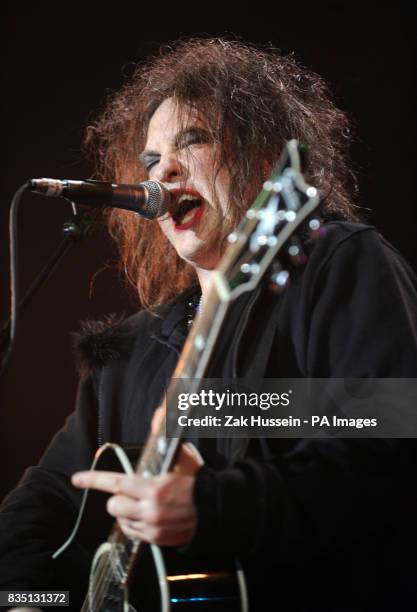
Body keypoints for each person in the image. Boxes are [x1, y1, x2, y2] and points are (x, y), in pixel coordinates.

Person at [1, 37, 417, 612]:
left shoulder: (337, 264)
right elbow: (43, 502)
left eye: (192, 140)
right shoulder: (131, 348)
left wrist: (214, 507)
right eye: (150, 161)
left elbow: (386, 433)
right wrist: (34, 599)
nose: (163, 170)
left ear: (264, 158)